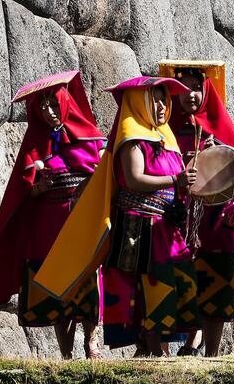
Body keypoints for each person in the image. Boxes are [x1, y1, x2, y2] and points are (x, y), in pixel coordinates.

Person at [35, 76, 197, 354]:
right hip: (137, 226)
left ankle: (155, 349)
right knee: (147, 287)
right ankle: (151, 349)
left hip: (164, 225)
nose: (161, 105)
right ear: (138, 102)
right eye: (154, 98)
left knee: (173, 283)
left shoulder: (164, 135)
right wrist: (175, 180)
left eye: (163, 98)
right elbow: (134, 179)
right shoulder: (131, 136)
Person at [0, 71, 106, 359]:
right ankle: (66, 353)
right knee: (56, 287)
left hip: (79, 220)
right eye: (42, 106)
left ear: (65, 100)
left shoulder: (89, 138)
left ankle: (92, 341)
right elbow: (22, 192)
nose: (49, 111)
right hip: (47, 224)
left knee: (86, 279)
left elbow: (102, 177)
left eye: (53, 103)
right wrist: (38, 188)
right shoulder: (35, 143)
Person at [158, 61, 234, 357]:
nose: (191, 95)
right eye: (184, 90)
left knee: (214, 282)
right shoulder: (167, 131)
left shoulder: (220, 130)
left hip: (214, 220)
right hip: (178, 218)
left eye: (197, 89)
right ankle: (166, 347)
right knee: (176, 282)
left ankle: (212, 351)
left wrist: (214, 156)